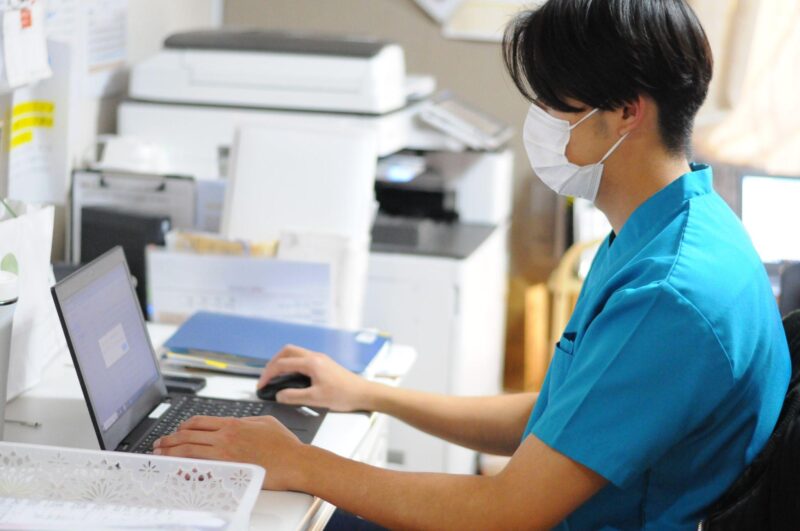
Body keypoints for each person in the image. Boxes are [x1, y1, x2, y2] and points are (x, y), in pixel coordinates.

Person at [153, 0, 791, 528]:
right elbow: (559, 419)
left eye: (556, 105)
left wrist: (301, 463)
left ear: (627, 111)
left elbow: (507, 511)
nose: (540, 122)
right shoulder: (677, 228)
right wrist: (369, 393)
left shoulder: (667, 294)